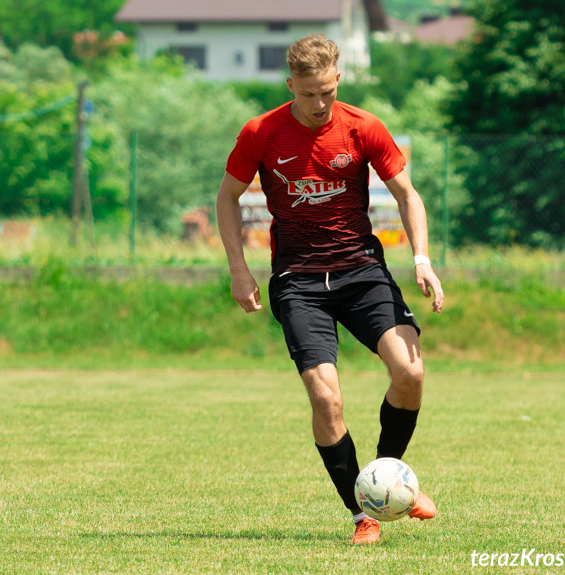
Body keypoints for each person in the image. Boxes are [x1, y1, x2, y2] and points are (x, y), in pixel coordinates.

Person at [215, 33, 445, 545]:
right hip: (298, 281)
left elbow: (407, 194)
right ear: (290, 84)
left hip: (361, 271)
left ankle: (390, 481)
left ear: (337, 78)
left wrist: (421, 258)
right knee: (326, 397)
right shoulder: (261, 132)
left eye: (327, 92)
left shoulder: (363, 127)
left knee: (410, 372)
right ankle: (362, 514)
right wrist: (239, 268)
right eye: (308, 94)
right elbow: (227, 198)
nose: (319, 105)